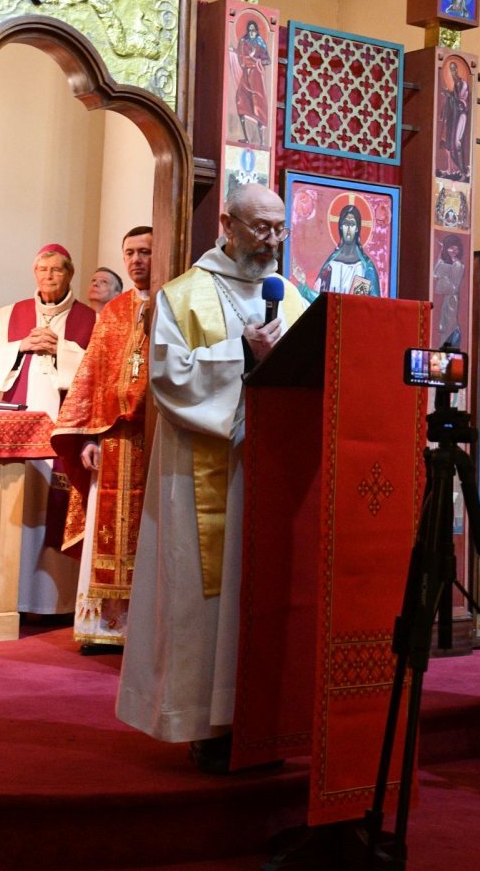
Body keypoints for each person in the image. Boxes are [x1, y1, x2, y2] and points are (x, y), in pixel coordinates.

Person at [116, 185, 306, 772]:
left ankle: (266, 719)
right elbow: (168, 379)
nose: (272, 241)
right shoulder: (184, 294)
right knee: (205, 599)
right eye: (260, 229)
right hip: (203, 474)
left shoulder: (291, 296)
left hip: (272, 475)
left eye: (279, 229)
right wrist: (241, 353)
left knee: (265, 596)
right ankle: (207, 724)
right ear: (227, 223)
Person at [0, 243, 96, 616]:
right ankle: (11, 598)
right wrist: (21, 345)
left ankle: (53, 603)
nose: (47, 277)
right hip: (17, 425)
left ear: (69, 274)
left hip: (65, 429)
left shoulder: (88, 318)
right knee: (20, 503)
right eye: (41, 271)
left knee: (56, 504)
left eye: (55, 271)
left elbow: (97, 369)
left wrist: (62, 349)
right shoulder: (11, 313)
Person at [52, 228, 153, 652]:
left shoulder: (175, 305)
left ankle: (145, 626)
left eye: (145, 252)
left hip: (153, 437)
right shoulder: (113, 312)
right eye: (129, 252)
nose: (136, 261)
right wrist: (89, 436)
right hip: (111, 439)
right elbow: (92, 377)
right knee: (105, 529)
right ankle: (103, 628)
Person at [297, 202, 381, 300]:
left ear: (357, 228)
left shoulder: (364, 268)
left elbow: (357, 305)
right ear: (341, 226)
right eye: (346, 224)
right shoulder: (331, 265)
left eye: (352, 224)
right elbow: (319, 301)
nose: (349, 229)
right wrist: (304, 286)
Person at [233, 19, 270, 146]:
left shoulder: (260, 42)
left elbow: (267, 60)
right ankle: (246, 137)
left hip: (256, 78)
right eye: (250, 31)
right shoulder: (243, 42)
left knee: (258, 105)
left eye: (254, 30)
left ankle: (262, 140)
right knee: (241, 100)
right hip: (246, 76)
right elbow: (241, 59)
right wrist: (250, 59)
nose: (252, 33)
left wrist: (257, 61)